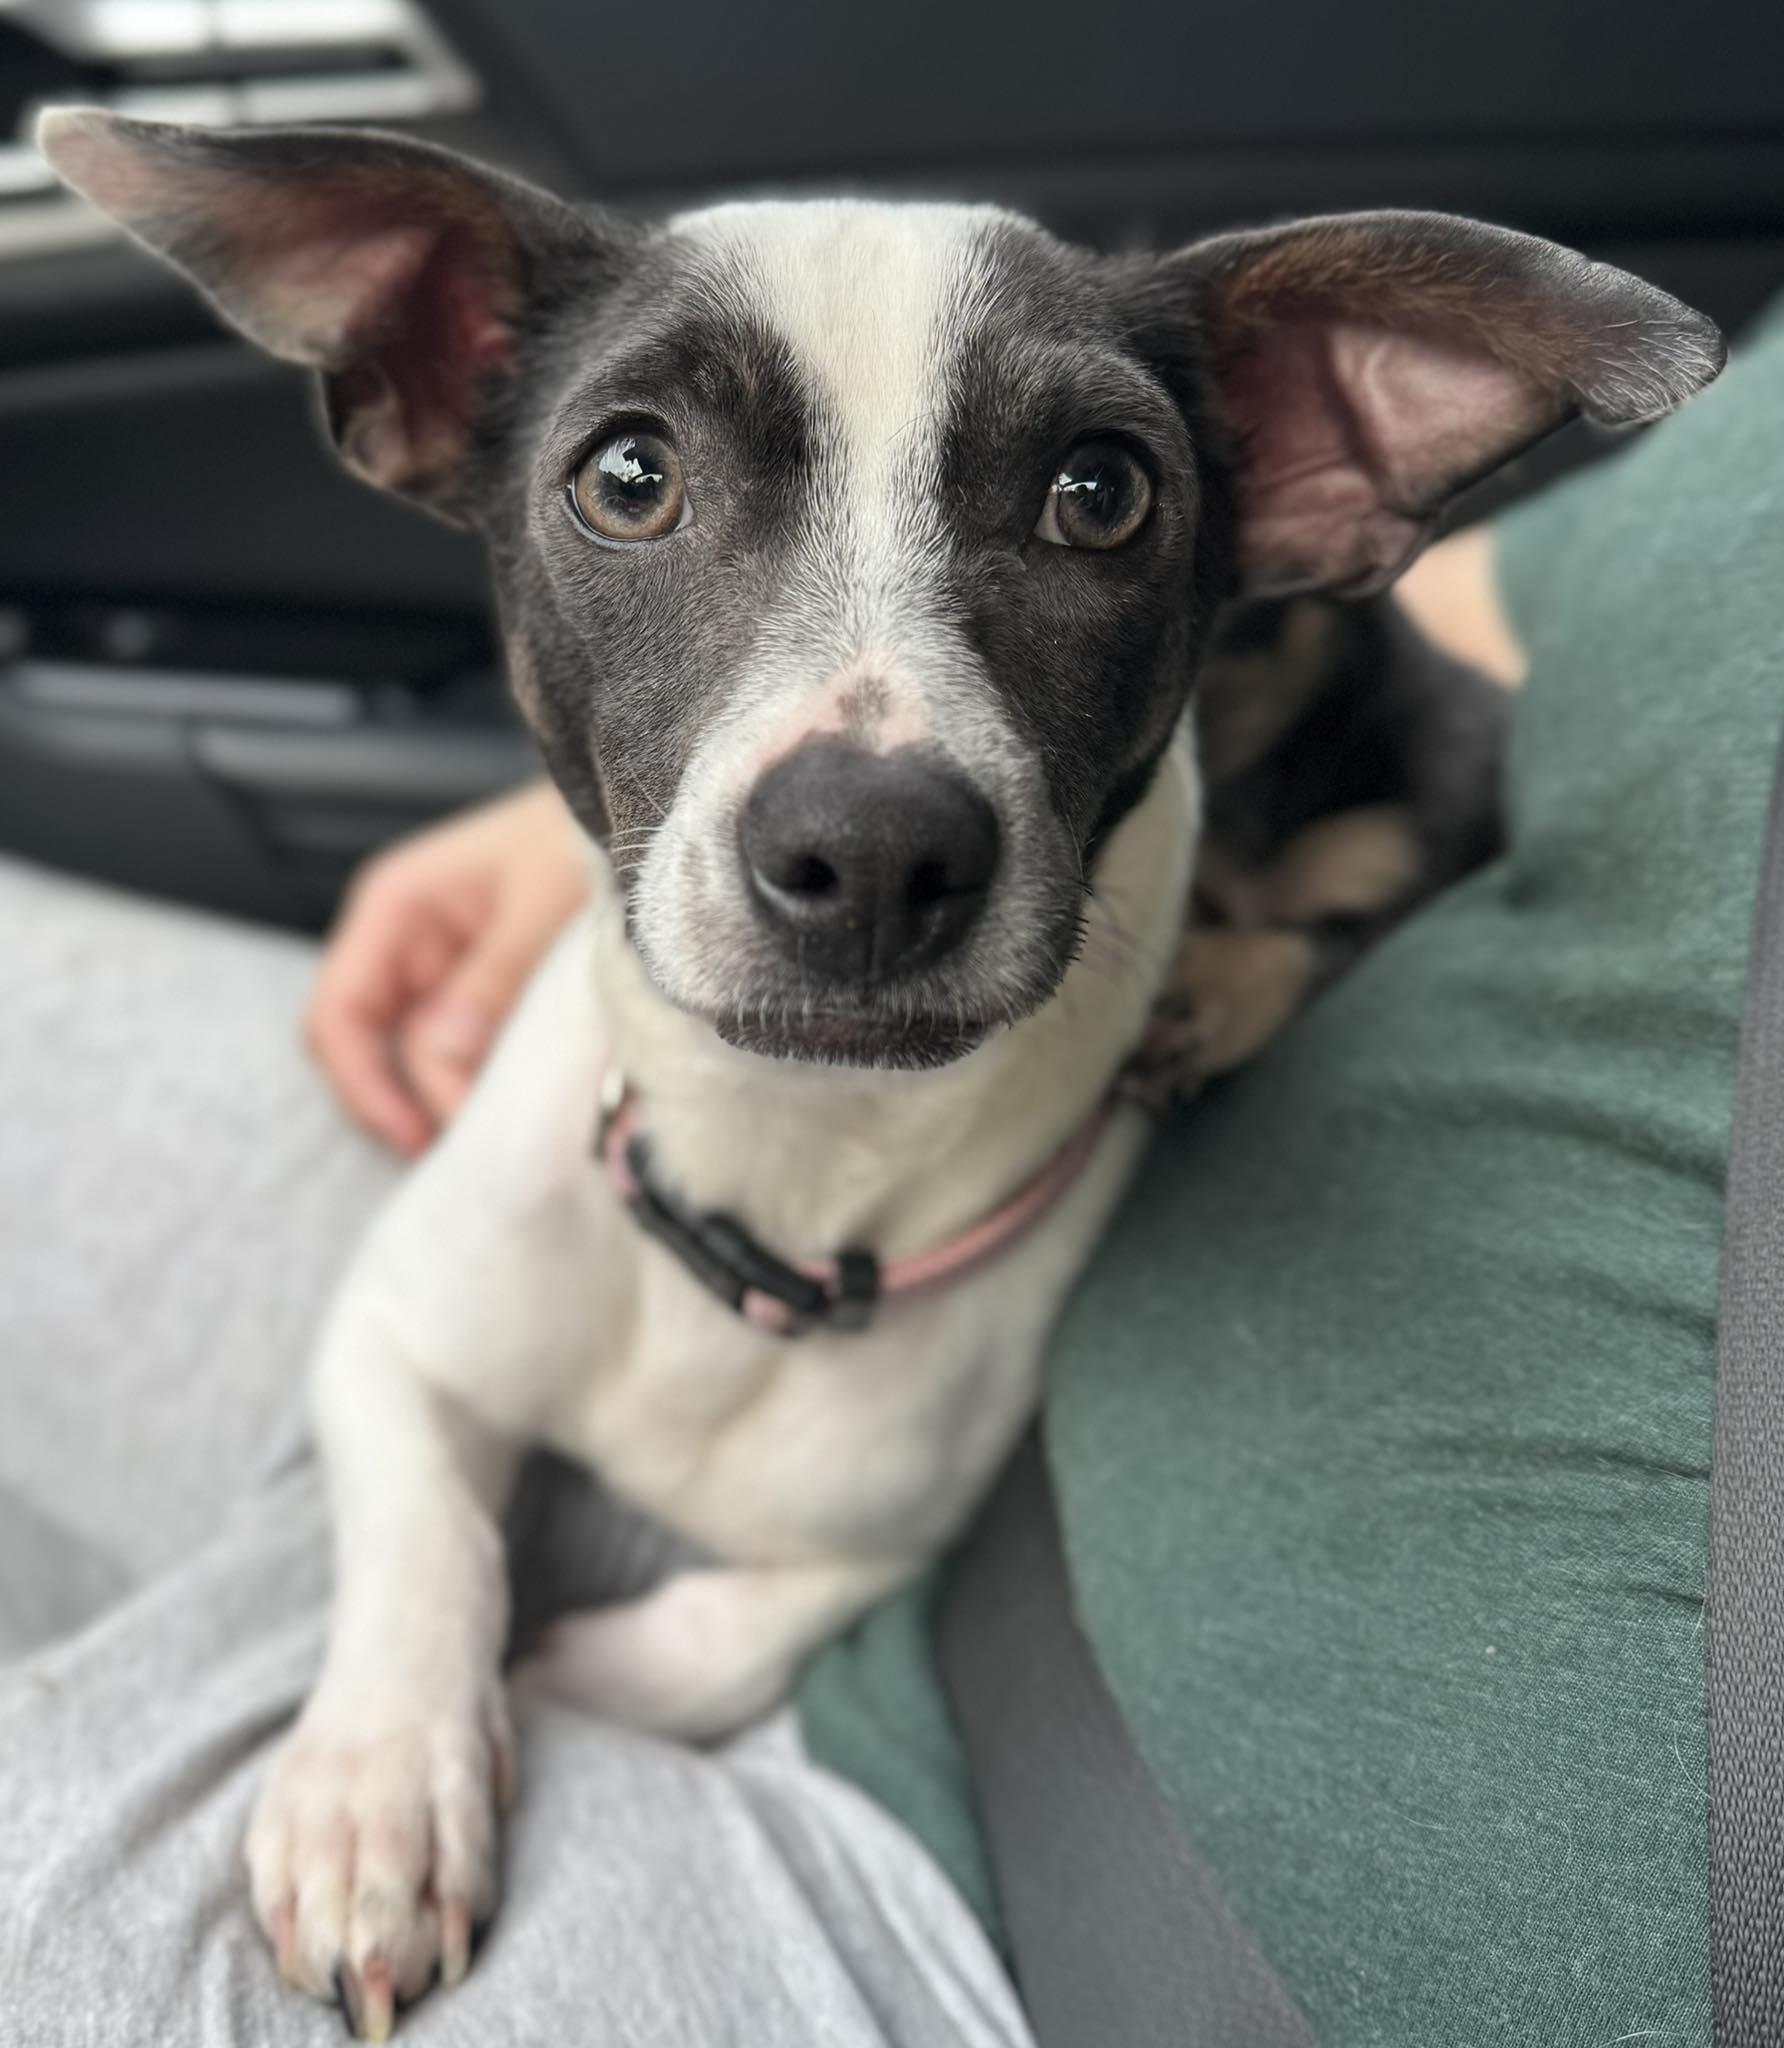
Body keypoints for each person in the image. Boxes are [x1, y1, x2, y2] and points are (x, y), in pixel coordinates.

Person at [2, 304, 1777, 2044]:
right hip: (622, 1199)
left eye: (1092, 500)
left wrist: (709, 1650)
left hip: (937, 1833)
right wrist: (418, 1629)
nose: (861, 814)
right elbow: (1494, 606)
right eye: (632, 476)